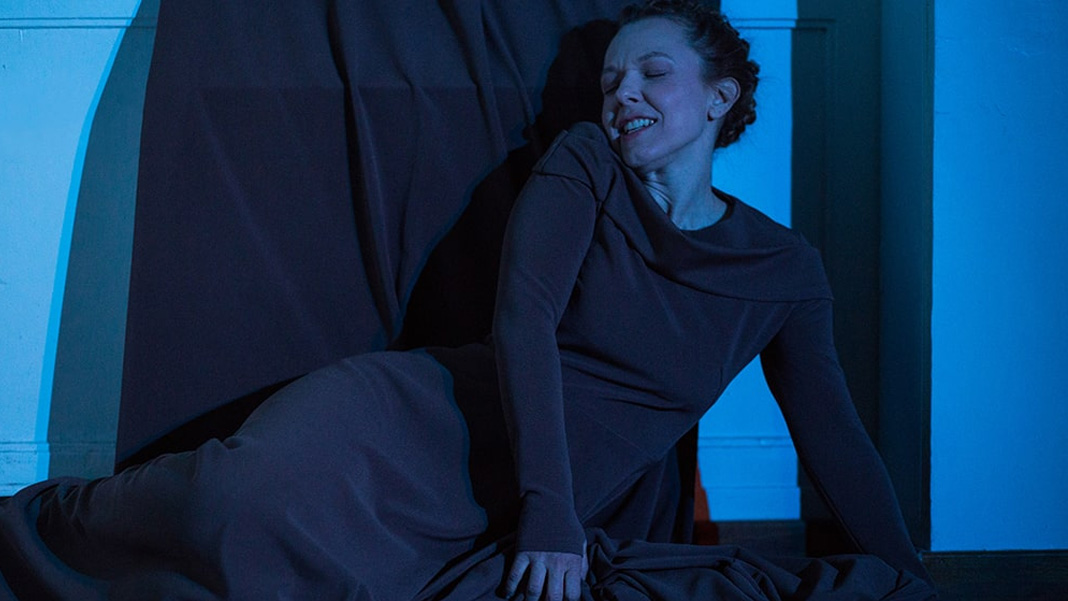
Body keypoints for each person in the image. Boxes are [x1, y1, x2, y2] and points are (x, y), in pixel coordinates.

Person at [0, 1, 936, 600]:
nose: (624, 95)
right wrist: (551, 513)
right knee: (224, 500)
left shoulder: (782, 268)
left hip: (523, 487)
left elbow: (835, 437)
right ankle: (31, 523)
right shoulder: (584, 164)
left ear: (721, 96)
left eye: (653, 73)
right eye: (612, 79)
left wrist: (907, 574)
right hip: (418, 421)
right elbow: (523, 323)